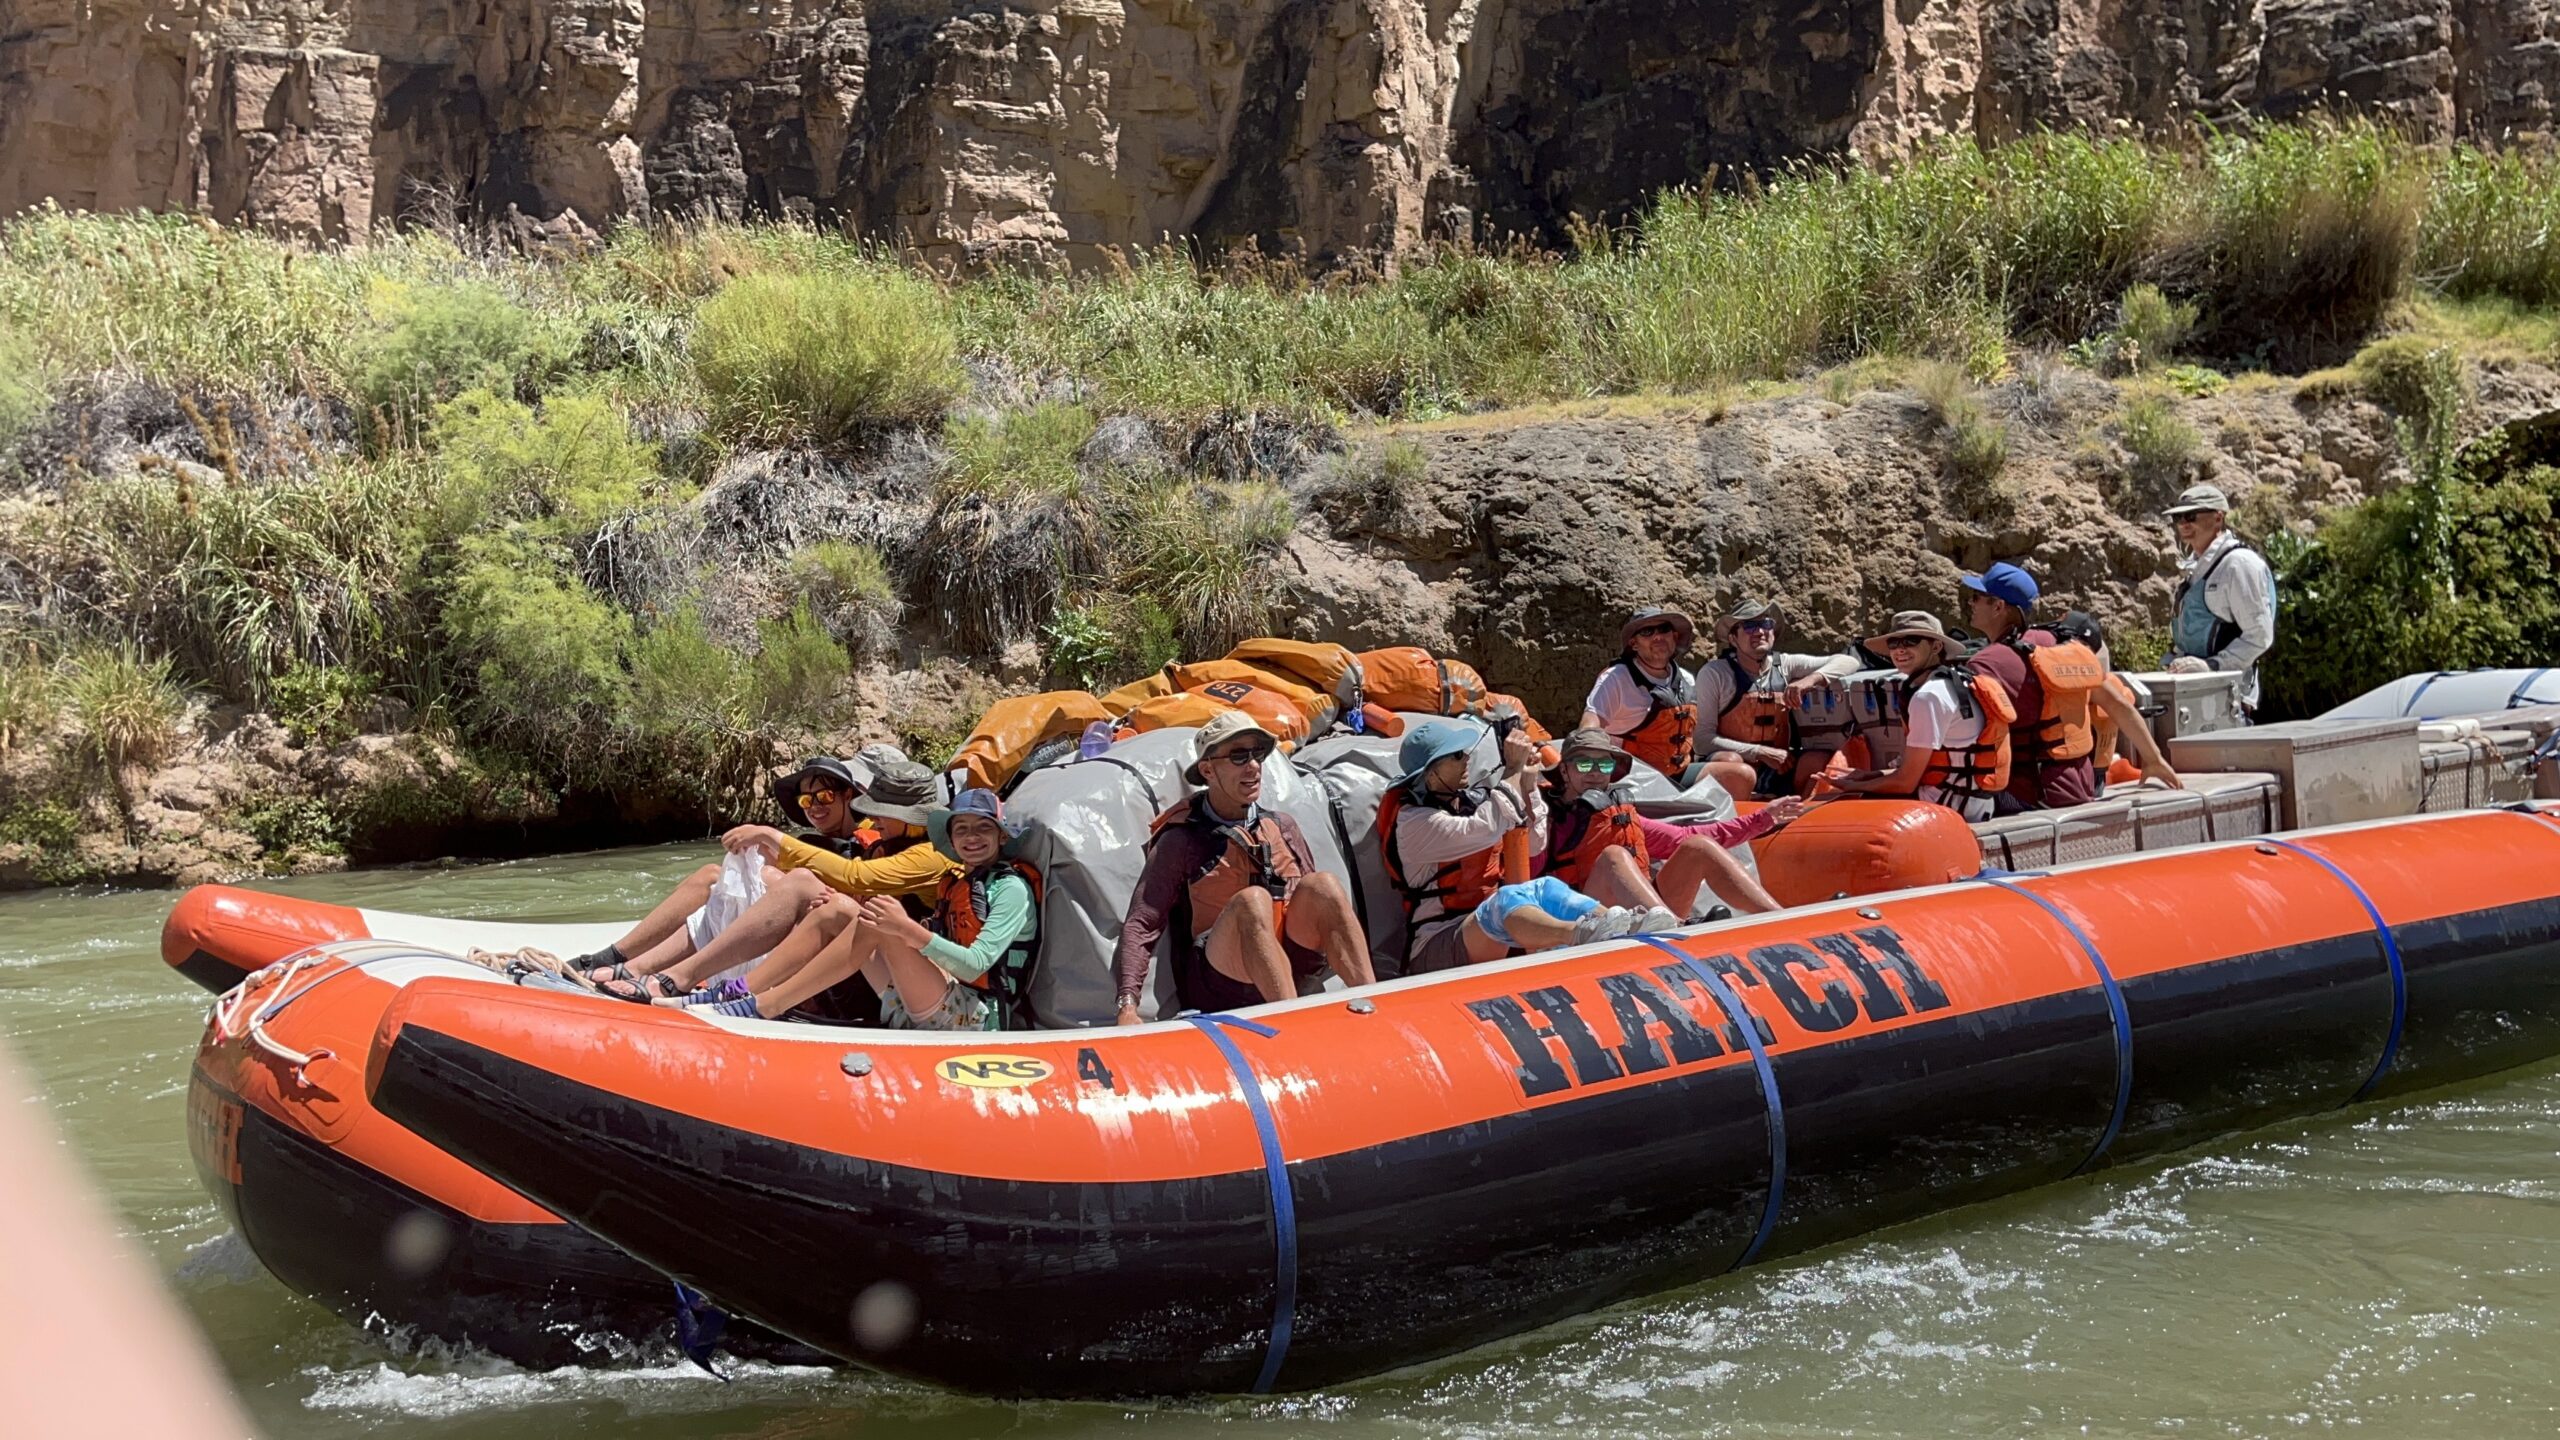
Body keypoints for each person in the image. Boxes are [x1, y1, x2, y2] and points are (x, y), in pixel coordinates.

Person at [592, 761, 959, 1002]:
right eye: (807, 799)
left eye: (826, 796)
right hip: (862, 955)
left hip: (886, 970)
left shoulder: (928, 854)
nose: (874, 819)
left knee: (797, 883)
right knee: (720, 877)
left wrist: (773, 837)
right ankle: (630, 963)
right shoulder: (885, 842)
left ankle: (681, 979)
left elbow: (857, 876)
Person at [700, 789, 1041, 1029]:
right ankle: (744, 990)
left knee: (882, 921)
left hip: (979, 1017)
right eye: (962, 829)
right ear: (951, 839)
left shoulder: (1010, 888)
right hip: (939, 993)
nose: (972, 837)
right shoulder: (956, 879)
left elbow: (975, 965)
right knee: (850, 912)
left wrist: (907, 930)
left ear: (1002, 836)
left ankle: (765, 1006)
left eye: (983, 827)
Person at [1113, 712, 1375, 1023]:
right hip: (1220, 984)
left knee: (1324, 885)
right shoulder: (1180, 840)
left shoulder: (1281, 826)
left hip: (1287, 963)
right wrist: (1127, 1006)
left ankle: (1375, 1005)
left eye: (1258, 755)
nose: (1253, 766)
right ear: (1208, 770)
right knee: (1252, 901)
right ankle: (1293, 1024)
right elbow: (1142, 922)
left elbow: (1314, 907)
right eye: (1239, 756)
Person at [1382, 717, 1675, 976]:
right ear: (1432, 772)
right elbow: (1483, 829)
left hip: (1492, 933)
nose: (1467, 758)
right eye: (1457, 755)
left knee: (1544, 887)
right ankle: (1579, 934)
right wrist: (1512, 769)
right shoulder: (1414, 823)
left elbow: (1534, 844)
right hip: (1438, 942)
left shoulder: (1470, 802)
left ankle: (1623, 924)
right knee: (1502, 902)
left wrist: (1529, 784)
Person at [572, 756, 872, 986]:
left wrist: (768, 846)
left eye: (825, 797)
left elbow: (852, 891)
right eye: (807, 800)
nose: (814, 807)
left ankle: (643, 970)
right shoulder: (804, 843)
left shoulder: (865, 845)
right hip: (779, 932)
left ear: (847, 795)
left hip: (814, 946)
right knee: (713, 875)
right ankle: (617, 957)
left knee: (738, 880)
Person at [1542, 728, 1798, 917]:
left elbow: (1687, 835)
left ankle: (1779, 917)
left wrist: (1763, 819)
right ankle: (1673, 931)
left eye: (1604, 763)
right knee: (1614, 856)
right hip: (1582, 922)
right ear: (1565, 771)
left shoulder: (1618, 814)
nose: (1596, 771)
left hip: (1641, 917)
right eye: (1585, 763)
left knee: (1698, 846)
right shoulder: (1546, 816)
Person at [1827, 611, 2011, 822]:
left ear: (1936, 646)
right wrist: (1869, 776)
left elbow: (1905, 783)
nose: (1900, 649)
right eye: (1893, 644)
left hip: (1947, 808)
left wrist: (1853, 786)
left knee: (1843, 811)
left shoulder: (1929, 696)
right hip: (1971, 803)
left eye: (1911, 641)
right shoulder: (1958, 681)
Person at [1957, 563, 2098, 812]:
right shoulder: (2054, 643)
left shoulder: (1985, 663)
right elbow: (2115, 700)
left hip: (2029, 796)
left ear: (1998, 606)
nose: (1971, 604)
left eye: (1977, 598)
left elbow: (1964, 735)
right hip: (2079, 785)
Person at [1692, 600, 1860, 803]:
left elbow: (1849, 661)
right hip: (1736, 762)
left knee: (1817, 759)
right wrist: (1759, 752)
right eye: (1750, 626)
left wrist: (1810, 680)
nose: (1760, 631)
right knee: (1732, 763)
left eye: (1766, 624)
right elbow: (1702, 740)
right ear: (1733, 639)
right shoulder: (1715, 673)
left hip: (1780, 765)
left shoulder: (1786, 665)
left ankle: (1800, 820)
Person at [2162, 483, 2277, 718]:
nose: (2184, 524)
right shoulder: (2196, 566)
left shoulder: (2239, 564)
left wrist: (2212, 666)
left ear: (2218, 518)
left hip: (2230, 700)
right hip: (2198, 696)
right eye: (2179, 517)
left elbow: (2259, 636)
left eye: (2191, 516)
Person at [2049, 611, 2183, 789]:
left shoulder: (2033, 657)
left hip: (2038, 779)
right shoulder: (2089, 678)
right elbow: (2121, 706)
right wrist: (2154, 759)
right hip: (2067, 786)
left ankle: (2112, 771)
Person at [1580, 605, 1704, 783]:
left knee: (1738, 774)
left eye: (1664, 629)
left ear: (1674, 637)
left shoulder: (1687, 679)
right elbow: (1589, 727)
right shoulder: (1616, 678)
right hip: (1631, 777)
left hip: (1676, 773)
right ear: (1634, 644)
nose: (1658, 636)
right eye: (1647, 632)